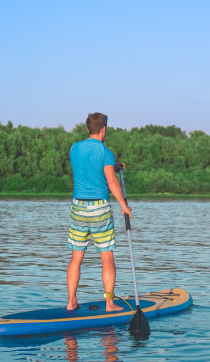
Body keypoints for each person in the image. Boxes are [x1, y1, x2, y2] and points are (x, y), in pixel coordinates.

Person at [67, 112, 132, 311]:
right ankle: (110, 303)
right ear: (104, 129)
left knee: (76, 257)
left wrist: (113, 165)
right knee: (107, 257)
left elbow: (89, 166)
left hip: (78, 207)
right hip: (99, 209)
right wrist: (123, 205)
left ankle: (71, 302)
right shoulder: (105, 152)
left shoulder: (74, 148)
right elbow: (111, 181)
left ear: (88, 129)